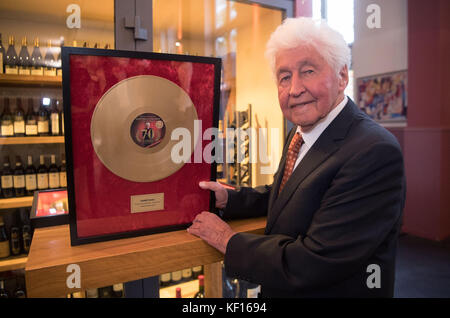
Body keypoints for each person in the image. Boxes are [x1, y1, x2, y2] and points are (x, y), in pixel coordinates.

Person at [187, 17, 406, 298]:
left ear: (342, 76)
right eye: (285, 77)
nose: (294, 89)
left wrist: (227, 240)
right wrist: (231, 199)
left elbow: (315, 262)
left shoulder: (374, 151)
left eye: (309, 71)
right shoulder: (300, 134)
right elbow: (294, 197)